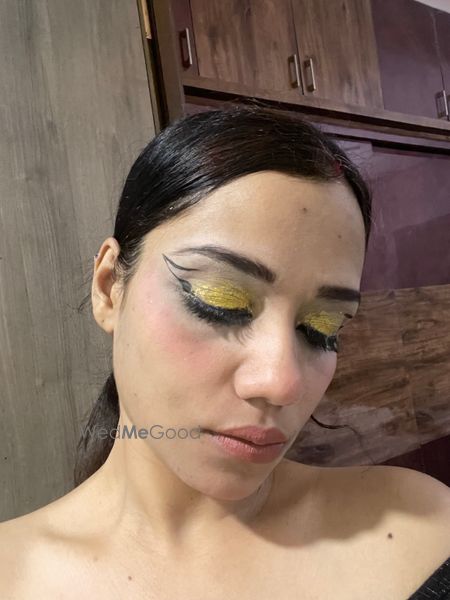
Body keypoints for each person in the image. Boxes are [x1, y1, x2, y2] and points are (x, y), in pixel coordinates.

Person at [1, 104, 449, 599]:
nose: (282, 382)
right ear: (109, 287)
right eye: (221, 302)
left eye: (321, 328)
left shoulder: (421, 530)